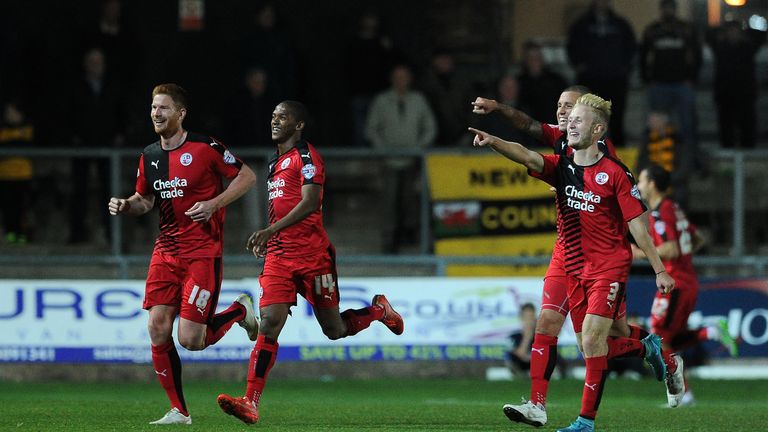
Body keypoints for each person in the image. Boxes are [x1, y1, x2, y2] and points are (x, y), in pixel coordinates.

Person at [469, 93, 681, 432]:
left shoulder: (614, 172)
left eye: (574, 116)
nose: (566, 121)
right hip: (572, 264)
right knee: (587, 342)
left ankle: (585, 421)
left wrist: (659, 269)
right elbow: (527, 154)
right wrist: (494, 140)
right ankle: (649, 348)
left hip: (609, 266)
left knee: (596, 339)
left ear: (597, 129)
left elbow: (637, 225)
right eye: (564, 114)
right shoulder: (563, 165)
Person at [215, 101, 405, 425]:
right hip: (279, 257)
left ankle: (379, 311)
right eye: (273, 116)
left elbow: (311, 201)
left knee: (334, 329)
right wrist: (271, 240)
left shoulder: (307, 156)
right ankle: (250, 401)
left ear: (299, 124)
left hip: (314, 257)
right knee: (271, 321)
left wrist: (270, 229)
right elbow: (281, 208)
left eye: (282, 116)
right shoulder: (274, 164)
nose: (275, 120)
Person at [107, 83, 259, 425]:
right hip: (166, 252)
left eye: (163, 108)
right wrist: (126, 205)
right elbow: (145, 200)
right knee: (157, 328)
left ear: (180, 113)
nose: (156, 114)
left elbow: (247, 176)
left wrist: (214, 204)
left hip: (202, 253)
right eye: (153, 108)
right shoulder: (150, 156)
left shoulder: (206, 148)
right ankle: (180, 411)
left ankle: (239, 311)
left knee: (191, 340)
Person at [633, 164, 739, 406]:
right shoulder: (674, 208)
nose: (638, 186)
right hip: (688, 280)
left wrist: (641, 253)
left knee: (658, 339)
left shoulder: (661, 212)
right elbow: (698, 238)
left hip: (674, 283)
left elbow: (671, 248)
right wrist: (684, 258)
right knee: (671, 338)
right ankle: (711, 331)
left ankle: (685, 394)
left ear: (652, 184)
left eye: (641, 181)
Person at [366, 64, 436, 252]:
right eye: (397, 77)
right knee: (389, 201)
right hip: (388, 160)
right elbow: (372, 128)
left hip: (412, 160)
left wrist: (419, 147)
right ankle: (390, 240)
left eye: (404, 77)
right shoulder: (382, 100)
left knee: (411, 199)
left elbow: (430, 127)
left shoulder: (418, 100)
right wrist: (382, 149)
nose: (401, 81)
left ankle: (409, 235)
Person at [69, 47, 124, 244]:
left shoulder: (112, 86)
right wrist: (73, 136)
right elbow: (68, 113)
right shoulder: (76, 86)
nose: (95, 66)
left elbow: (120, 112)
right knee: (79, 191)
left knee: (109, 192)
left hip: (107, 146)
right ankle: (76, 234)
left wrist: (119, 134)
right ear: (85, 65)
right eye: (91, 62)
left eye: (98, 62)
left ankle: (112, 235)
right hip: (81, 145)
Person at [640, 0, 701, 174]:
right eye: (665, 8)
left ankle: (690, 162)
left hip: (682, 85)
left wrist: (692, 79)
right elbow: (643, 56)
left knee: (687, 125)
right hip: (658, 85)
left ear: (675, 10)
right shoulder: (652, 30)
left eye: (671, 8)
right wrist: (647, 80)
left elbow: (696, 54)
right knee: (656, 127)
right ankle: (655, 163)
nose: (668, 11)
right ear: (661, 10)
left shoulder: (686, 29)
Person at [566, 0, 636, 147]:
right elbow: (571, 47)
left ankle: (618, 159)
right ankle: (587, 158)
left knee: (616, 121)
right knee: (588, 120)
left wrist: (624, 69)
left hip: (616, 81)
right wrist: (579, 66)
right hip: (590, 81)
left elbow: (631, 48)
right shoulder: (582, 25)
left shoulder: (621, 25)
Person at [706, 18, 767, 149]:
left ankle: (747, 158)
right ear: (725, 33)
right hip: (725, 94)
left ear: (741, 33)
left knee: (747, 128)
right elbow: (709, 33)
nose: (733, 34)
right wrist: (721, 31)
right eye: (730, 31)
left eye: (736, 31)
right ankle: (728, 158)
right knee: (726, 129)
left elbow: (761, 34)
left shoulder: (748, 46)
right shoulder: (720, 46)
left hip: (745, 94)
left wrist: (745, 33)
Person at [0, 100, 34, 244]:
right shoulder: (3, 130)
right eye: (8, 113)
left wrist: (12, 142)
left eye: (13, 112)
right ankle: (10, 235)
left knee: (22, 207)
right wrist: (15, 139)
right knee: (8, 207)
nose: (10, 116)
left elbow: (26, 144)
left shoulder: (27, 129)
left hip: (23, 175)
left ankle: (22, 236)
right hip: (5, 175)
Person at [517, 41, 568, 125]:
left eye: (537, 57)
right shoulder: (519, 82)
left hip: (554, 126)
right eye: (530, 57)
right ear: (525, 60)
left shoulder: (557, 80)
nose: (534, 61)